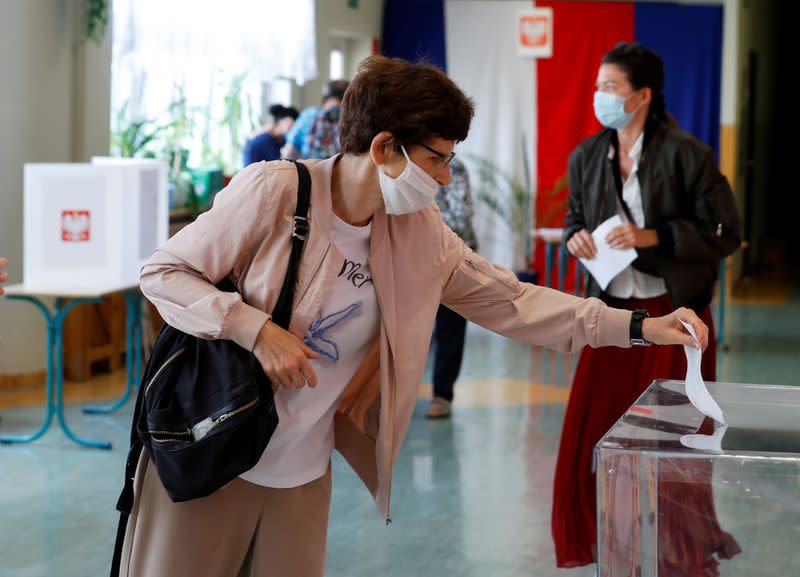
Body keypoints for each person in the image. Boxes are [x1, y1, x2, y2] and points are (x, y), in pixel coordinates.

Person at [121, 54, 709, 577]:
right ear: (383, 147)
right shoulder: (276, 191)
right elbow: (164, 274)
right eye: (436, 158)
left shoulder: (417, 233)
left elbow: (514, 301)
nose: (446, 177)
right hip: (208, 451)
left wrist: (638, 327)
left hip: (300, 473)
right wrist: (256, 330)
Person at [551, 42, 741, 575]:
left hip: (675, 316)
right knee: (592, 438)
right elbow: (574, 218)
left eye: (609, 88)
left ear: (642, 96)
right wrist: (575, 238)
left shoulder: (687, 154)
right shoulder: (588, 155)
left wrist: (656, 234)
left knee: (673, 448)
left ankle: (681, 555)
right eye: (598, 86)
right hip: (612, 317)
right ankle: (613, 551)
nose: (600, 97)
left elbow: (726, 232)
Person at [426, 157, 478, 419]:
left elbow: (461, 217)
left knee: (450, 328)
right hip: (412, 258)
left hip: (453, 255)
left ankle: (442, 394)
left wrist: (417, 222)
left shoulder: (454, 168)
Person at [281, 79, 349, 160]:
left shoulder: (309, 115)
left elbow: (289, 152)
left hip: (312, 168)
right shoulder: (309, 116)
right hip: (329, 169)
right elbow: (290, 151)